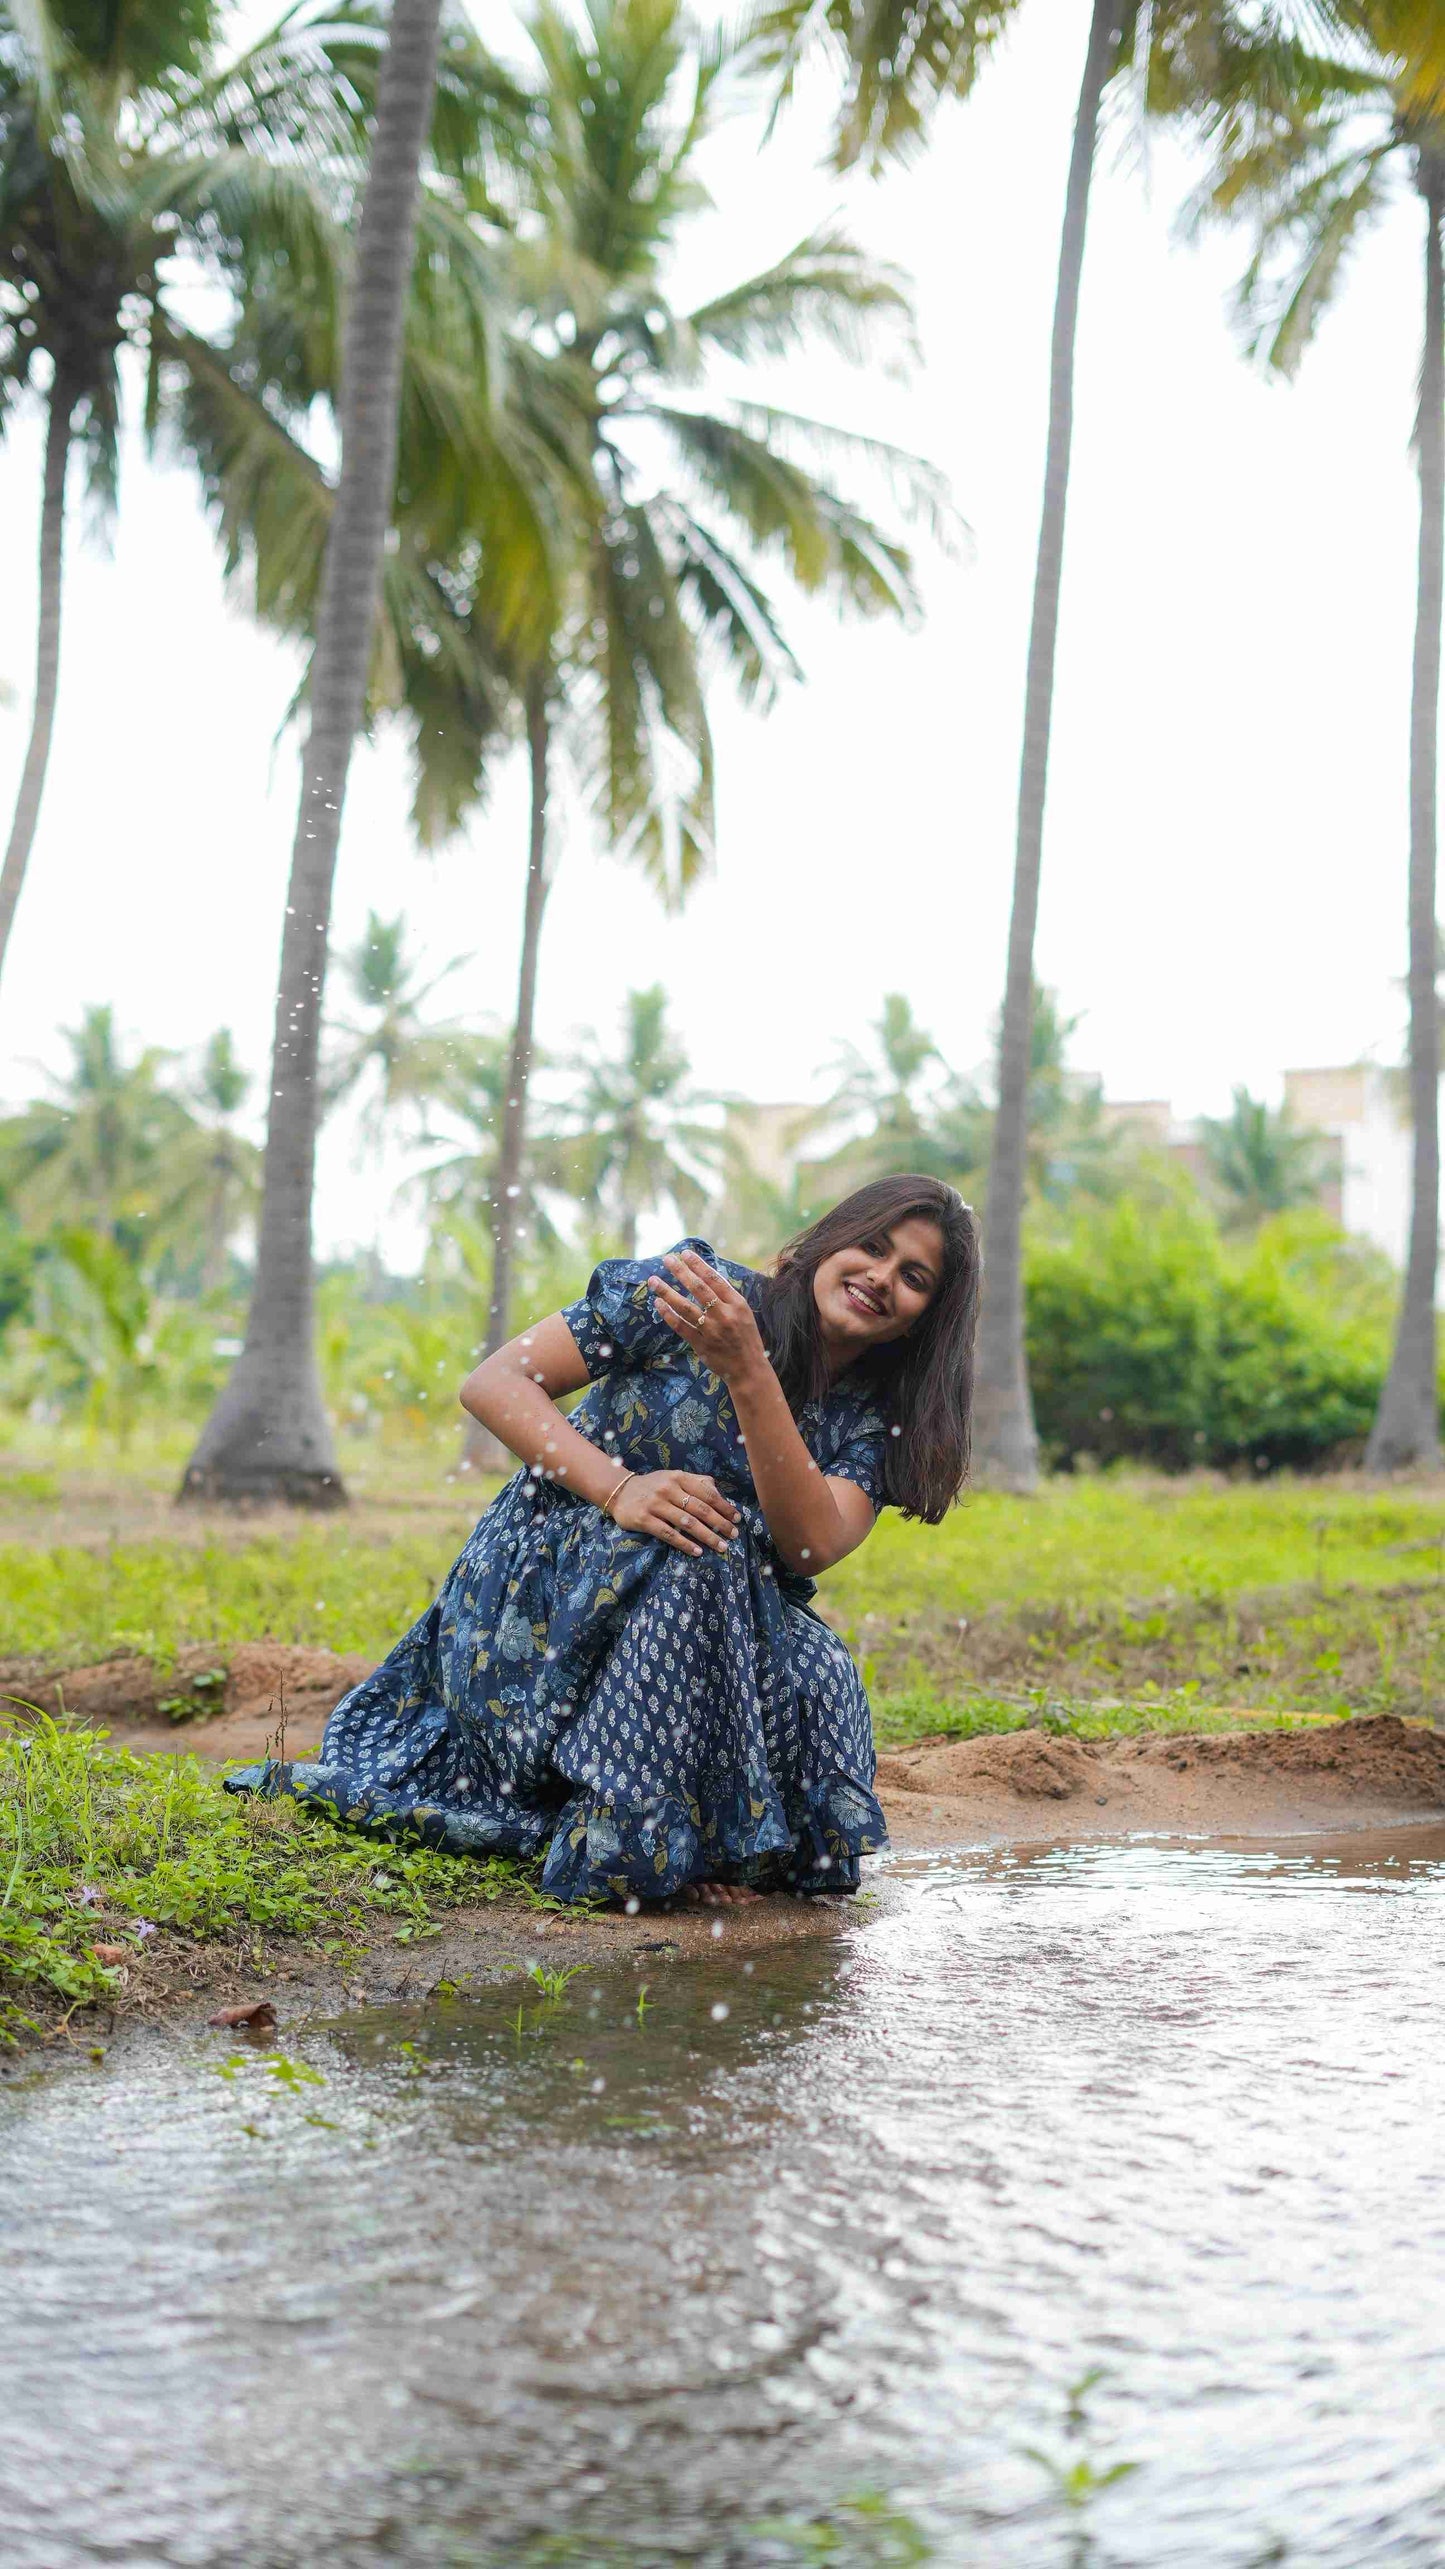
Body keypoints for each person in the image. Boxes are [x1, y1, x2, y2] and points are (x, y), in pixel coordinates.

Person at [228, 1174, 979, 1906]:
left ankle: (711, 1840)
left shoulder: (875, 1415)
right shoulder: (698, 1293)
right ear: (827, 1242)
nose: (880, 1276)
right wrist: (621, 1489)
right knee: (700, 1553)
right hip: (546, 1583)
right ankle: (622, 1843)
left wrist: (749, 1373)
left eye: (912, 1276)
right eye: (870, 1246)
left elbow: (809, 1546)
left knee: (817, 1666)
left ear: (922, 1319)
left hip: (715, 1612)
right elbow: (494, 1383)